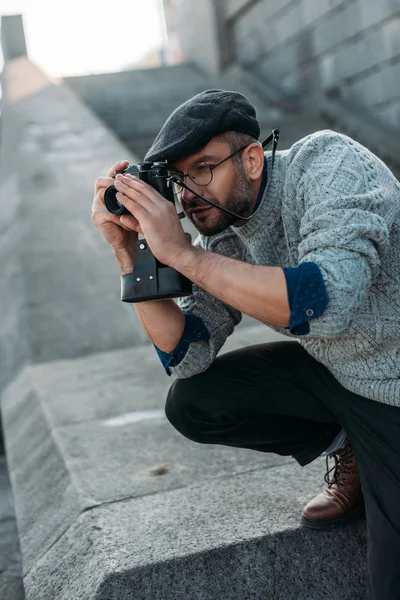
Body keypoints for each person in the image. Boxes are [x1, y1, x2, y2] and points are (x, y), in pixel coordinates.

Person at [92, 89, 400, 599]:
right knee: (195, 403)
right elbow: (187, 357)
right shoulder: (226, 235)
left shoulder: (329, 166)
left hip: (393, 384)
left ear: (252, 159)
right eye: (179, 179)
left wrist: (183, 256)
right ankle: (347, 446)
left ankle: (371, 453)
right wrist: (133, 256)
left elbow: (326, 305)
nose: (188, 193)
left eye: (204, 168)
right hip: (340, 374)